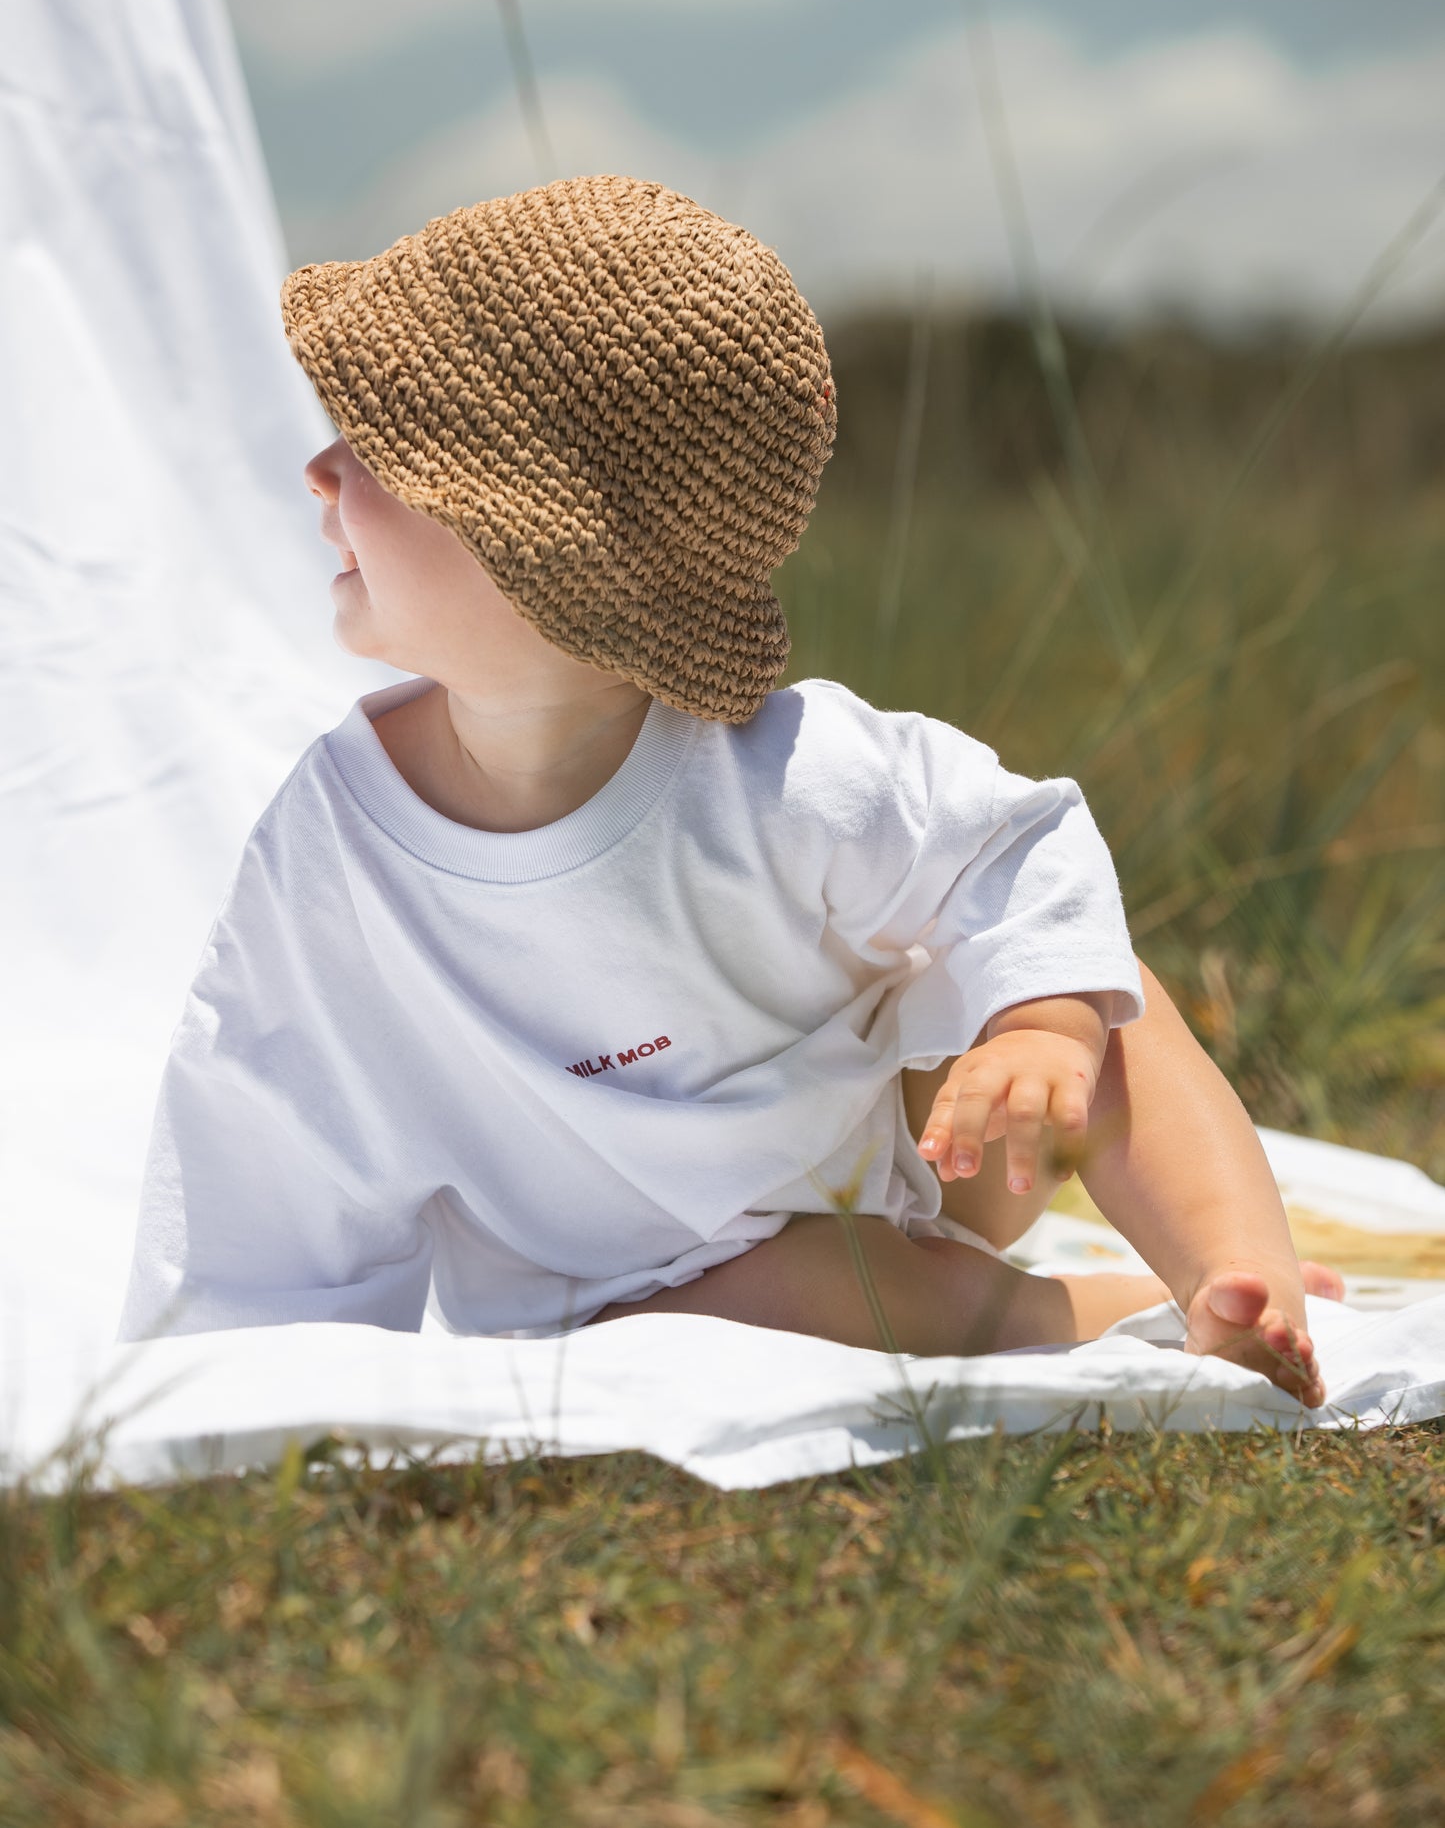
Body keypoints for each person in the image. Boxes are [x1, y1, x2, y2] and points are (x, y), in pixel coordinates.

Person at [117, 174, 1342, 1406]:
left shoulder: (780, 772)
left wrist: (1039, 1028)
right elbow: (268, 1126)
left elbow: (1020, 853)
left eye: (384, 448)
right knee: (832, 1295)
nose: (321, 471)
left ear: (546, 554)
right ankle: (1068, 1307)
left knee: (1096, 992)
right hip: (631, 1296)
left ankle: (1237, 1272)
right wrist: (243, 1361)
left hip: (921, 1144)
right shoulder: (337, 850)